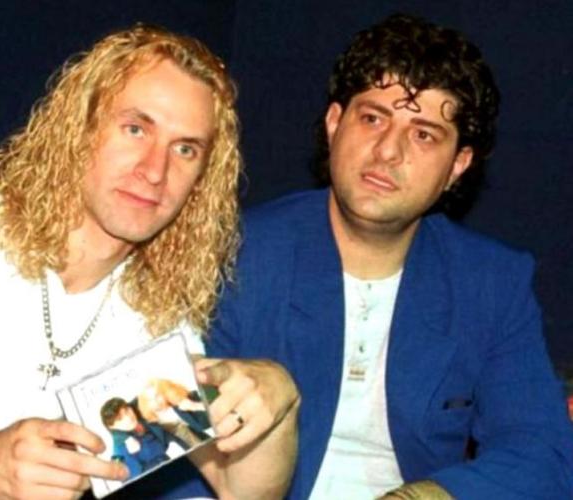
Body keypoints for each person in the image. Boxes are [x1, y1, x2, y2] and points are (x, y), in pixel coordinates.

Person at [0, 25, 300, 499]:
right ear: (80, 126)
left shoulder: (155, 319)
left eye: (185, 149)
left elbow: (244, 492)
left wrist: (280, 400)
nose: (155, 170)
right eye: (136, 129)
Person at [195, 13, 573, 499]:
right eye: (372, 118)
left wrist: (422, 497)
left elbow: (542, 453)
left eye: (423, 134)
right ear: (334, 124)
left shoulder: (490, 282)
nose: (388, 151)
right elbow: (175, 455)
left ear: (457, 166)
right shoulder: (235, 253)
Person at [100, 397, 180, 477]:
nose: (128, 418)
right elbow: (131, 477)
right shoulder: (120, 449)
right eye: (120, 418)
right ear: (112, 426)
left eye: (127, 410)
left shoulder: (138, 415)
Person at [137, 378, 212, 447]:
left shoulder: (183, 401)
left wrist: (195, 406)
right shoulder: (149, 424)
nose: (155, 402)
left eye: (157, 396)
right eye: (150, 400)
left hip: (207, 443)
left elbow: (207, 423)